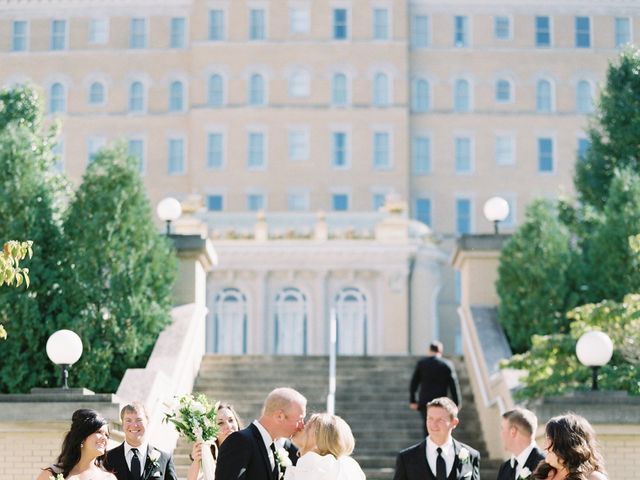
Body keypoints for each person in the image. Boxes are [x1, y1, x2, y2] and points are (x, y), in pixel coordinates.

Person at [215, 387, 307, 480]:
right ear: (279, 416)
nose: (302, 426)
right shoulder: (239, 441)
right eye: (299, 419)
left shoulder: (271, 445)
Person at [393, 397, 480, 480]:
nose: (433, 424)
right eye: (430, 419)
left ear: (454, 423)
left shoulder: (472, 455)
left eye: (440, 420)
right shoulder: (406, 458)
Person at [36, 408, 116, 480]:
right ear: (82, 436)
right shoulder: (52, 474)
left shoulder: (108, 478)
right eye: (99, 432)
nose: (104, 438)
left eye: (107, 435)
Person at [104, 402, 177, 480]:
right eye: (128, 420)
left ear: (147, 422)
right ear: (122, 424)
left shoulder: (165, 459)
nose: (134, 425)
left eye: (139, 420)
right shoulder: (107, 458)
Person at [284, 413, 365, 480]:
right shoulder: (343, 468)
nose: (301, 426)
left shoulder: (313, 467)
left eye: (308, 426)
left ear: (320, 440)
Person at [532, 413, 608, 480]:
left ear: (567, 444)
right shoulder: (543, 473)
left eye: (550, 438)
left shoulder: (594, 478)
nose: (545, 444)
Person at [409, 341, 461, 436]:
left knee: (428, 425)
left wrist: (413, 400)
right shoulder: (447, 364)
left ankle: (428, 447)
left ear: (429, 350)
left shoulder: (422, 364)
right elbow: (453, 385)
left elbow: (414, 383)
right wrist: (457, 403)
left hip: (425, 401)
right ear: (440, 351)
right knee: (441, 424)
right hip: (441, 402)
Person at [186, 404, 242, 480]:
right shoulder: (208, 459)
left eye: (231, 420)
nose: (228, 426)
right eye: (220, 423)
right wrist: (196, 460)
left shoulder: (250, 451)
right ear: (211, 430)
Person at [497, 408, 545, 480]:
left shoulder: (545, 465)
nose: (501, 434)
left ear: (513, 431)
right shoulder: (504, 468)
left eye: (502, 429)